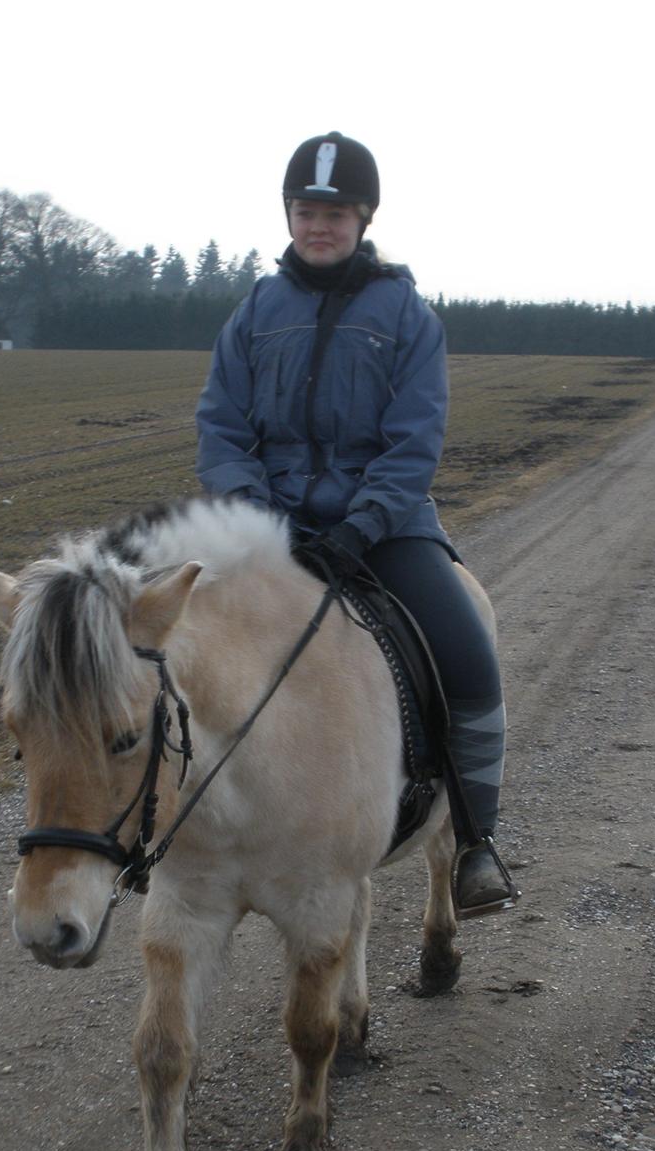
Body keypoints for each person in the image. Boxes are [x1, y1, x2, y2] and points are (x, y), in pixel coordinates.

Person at [195, 131, 515, 918]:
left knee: (469, 657)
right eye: (306, 210)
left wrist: (363, 523)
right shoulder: (253, 314)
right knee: (172, 647)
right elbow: (221, 430)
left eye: (336, 213)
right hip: (270, 532)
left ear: (364, 218)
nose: (319, 226)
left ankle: (475, 841)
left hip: (386, 528)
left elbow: (416, 438)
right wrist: (266, 521)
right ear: (289, 215)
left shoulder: (406, 315)